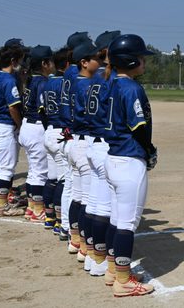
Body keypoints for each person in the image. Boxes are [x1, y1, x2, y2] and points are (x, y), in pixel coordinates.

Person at [103, 34, 156, 296]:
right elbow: (139, 127)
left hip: (112, 156)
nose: (144, 61)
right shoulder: (132, 88)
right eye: (142, 57)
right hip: (129, 158)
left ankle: (114, 271)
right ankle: (123, 282)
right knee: (126, 224)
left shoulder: (110, 83)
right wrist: (149, 150)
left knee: (116, 219)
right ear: (131, 60)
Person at [85, 29, 121, 277]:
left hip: (91, 142)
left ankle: (92, 256)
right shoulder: (113, 78)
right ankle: (102, 259)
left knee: (94, 202)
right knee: (105, 208)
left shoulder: (94, 76)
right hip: (106, 145)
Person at [69, 41, 100, 269]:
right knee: (88, 201)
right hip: (85, 140)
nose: (99, 62)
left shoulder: (76, 81)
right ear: (84, 62)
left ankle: (77, 240)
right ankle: (86, 247)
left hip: (75, 139)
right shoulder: (86, 84)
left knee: (78, 197)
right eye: (95, 58)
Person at [0, 43, 26, 217]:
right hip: (4, 127)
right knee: (7, 169)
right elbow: (13, 108)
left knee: (4, 166)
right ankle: (2, 206)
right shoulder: (9, 79)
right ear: (12, 60)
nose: (21, 63)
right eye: (19, 60)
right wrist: (20, 125)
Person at [18, 45, 54, 222]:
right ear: (45, 63)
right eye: (51, 61)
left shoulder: (30, 80)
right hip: (37, 127)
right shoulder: (42, 82)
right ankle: (38, 209)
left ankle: (31, 208)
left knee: (34, 171)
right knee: (40, 172)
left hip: (27, 126)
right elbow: (44, 110)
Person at [39, 47, 71, 235]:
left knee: (51, 178)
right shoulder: (66, 83)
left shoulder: (47, 82)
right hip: (61, 132)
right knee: (64, 180)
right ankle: (60, 221)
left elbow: (42, 111)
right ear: (67, 64)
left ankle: (50, 217)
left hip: (50, 130)